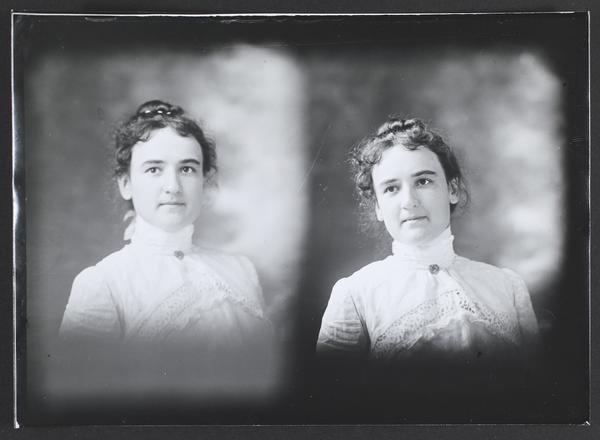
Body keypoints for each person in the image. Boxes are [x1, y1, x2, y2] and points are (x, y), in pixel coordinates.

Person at [60, 100, 272, 360]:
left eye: (187, 169)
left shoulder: (241, 270)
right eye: (154, 169)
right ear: (126, 184)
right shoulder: (104, 283)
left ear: (204, 182)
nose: (173, 186)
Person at [316, 117, 539, 364]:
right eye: (391, 188)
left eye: (423, 182)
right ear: (378, 207)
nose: (409, 201)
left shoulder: (507, 287)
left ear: (452, 190)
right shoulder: (356, 294)